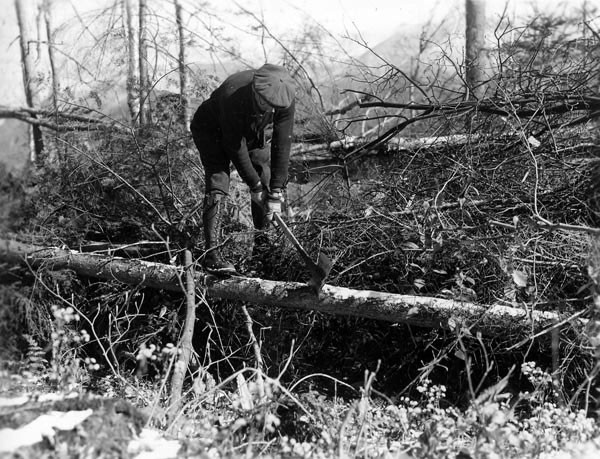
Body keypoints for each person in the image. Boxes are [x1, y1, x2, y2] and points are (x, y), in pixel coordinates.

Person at [190, 63, 296, 274]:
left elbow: (282, 142)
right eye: (265, 103)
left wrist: (275, 192)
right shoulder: (233, 93)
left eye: (273, 107)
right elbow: (234, 146)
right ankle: (212, 255)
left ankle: (261, 252)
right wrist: (254, 186)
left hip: (250, 130)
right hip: (211, 129)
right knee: (219, 179)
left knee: (265, 177)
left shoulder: (284, 97)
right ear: (255, 90)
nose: (269, 109)